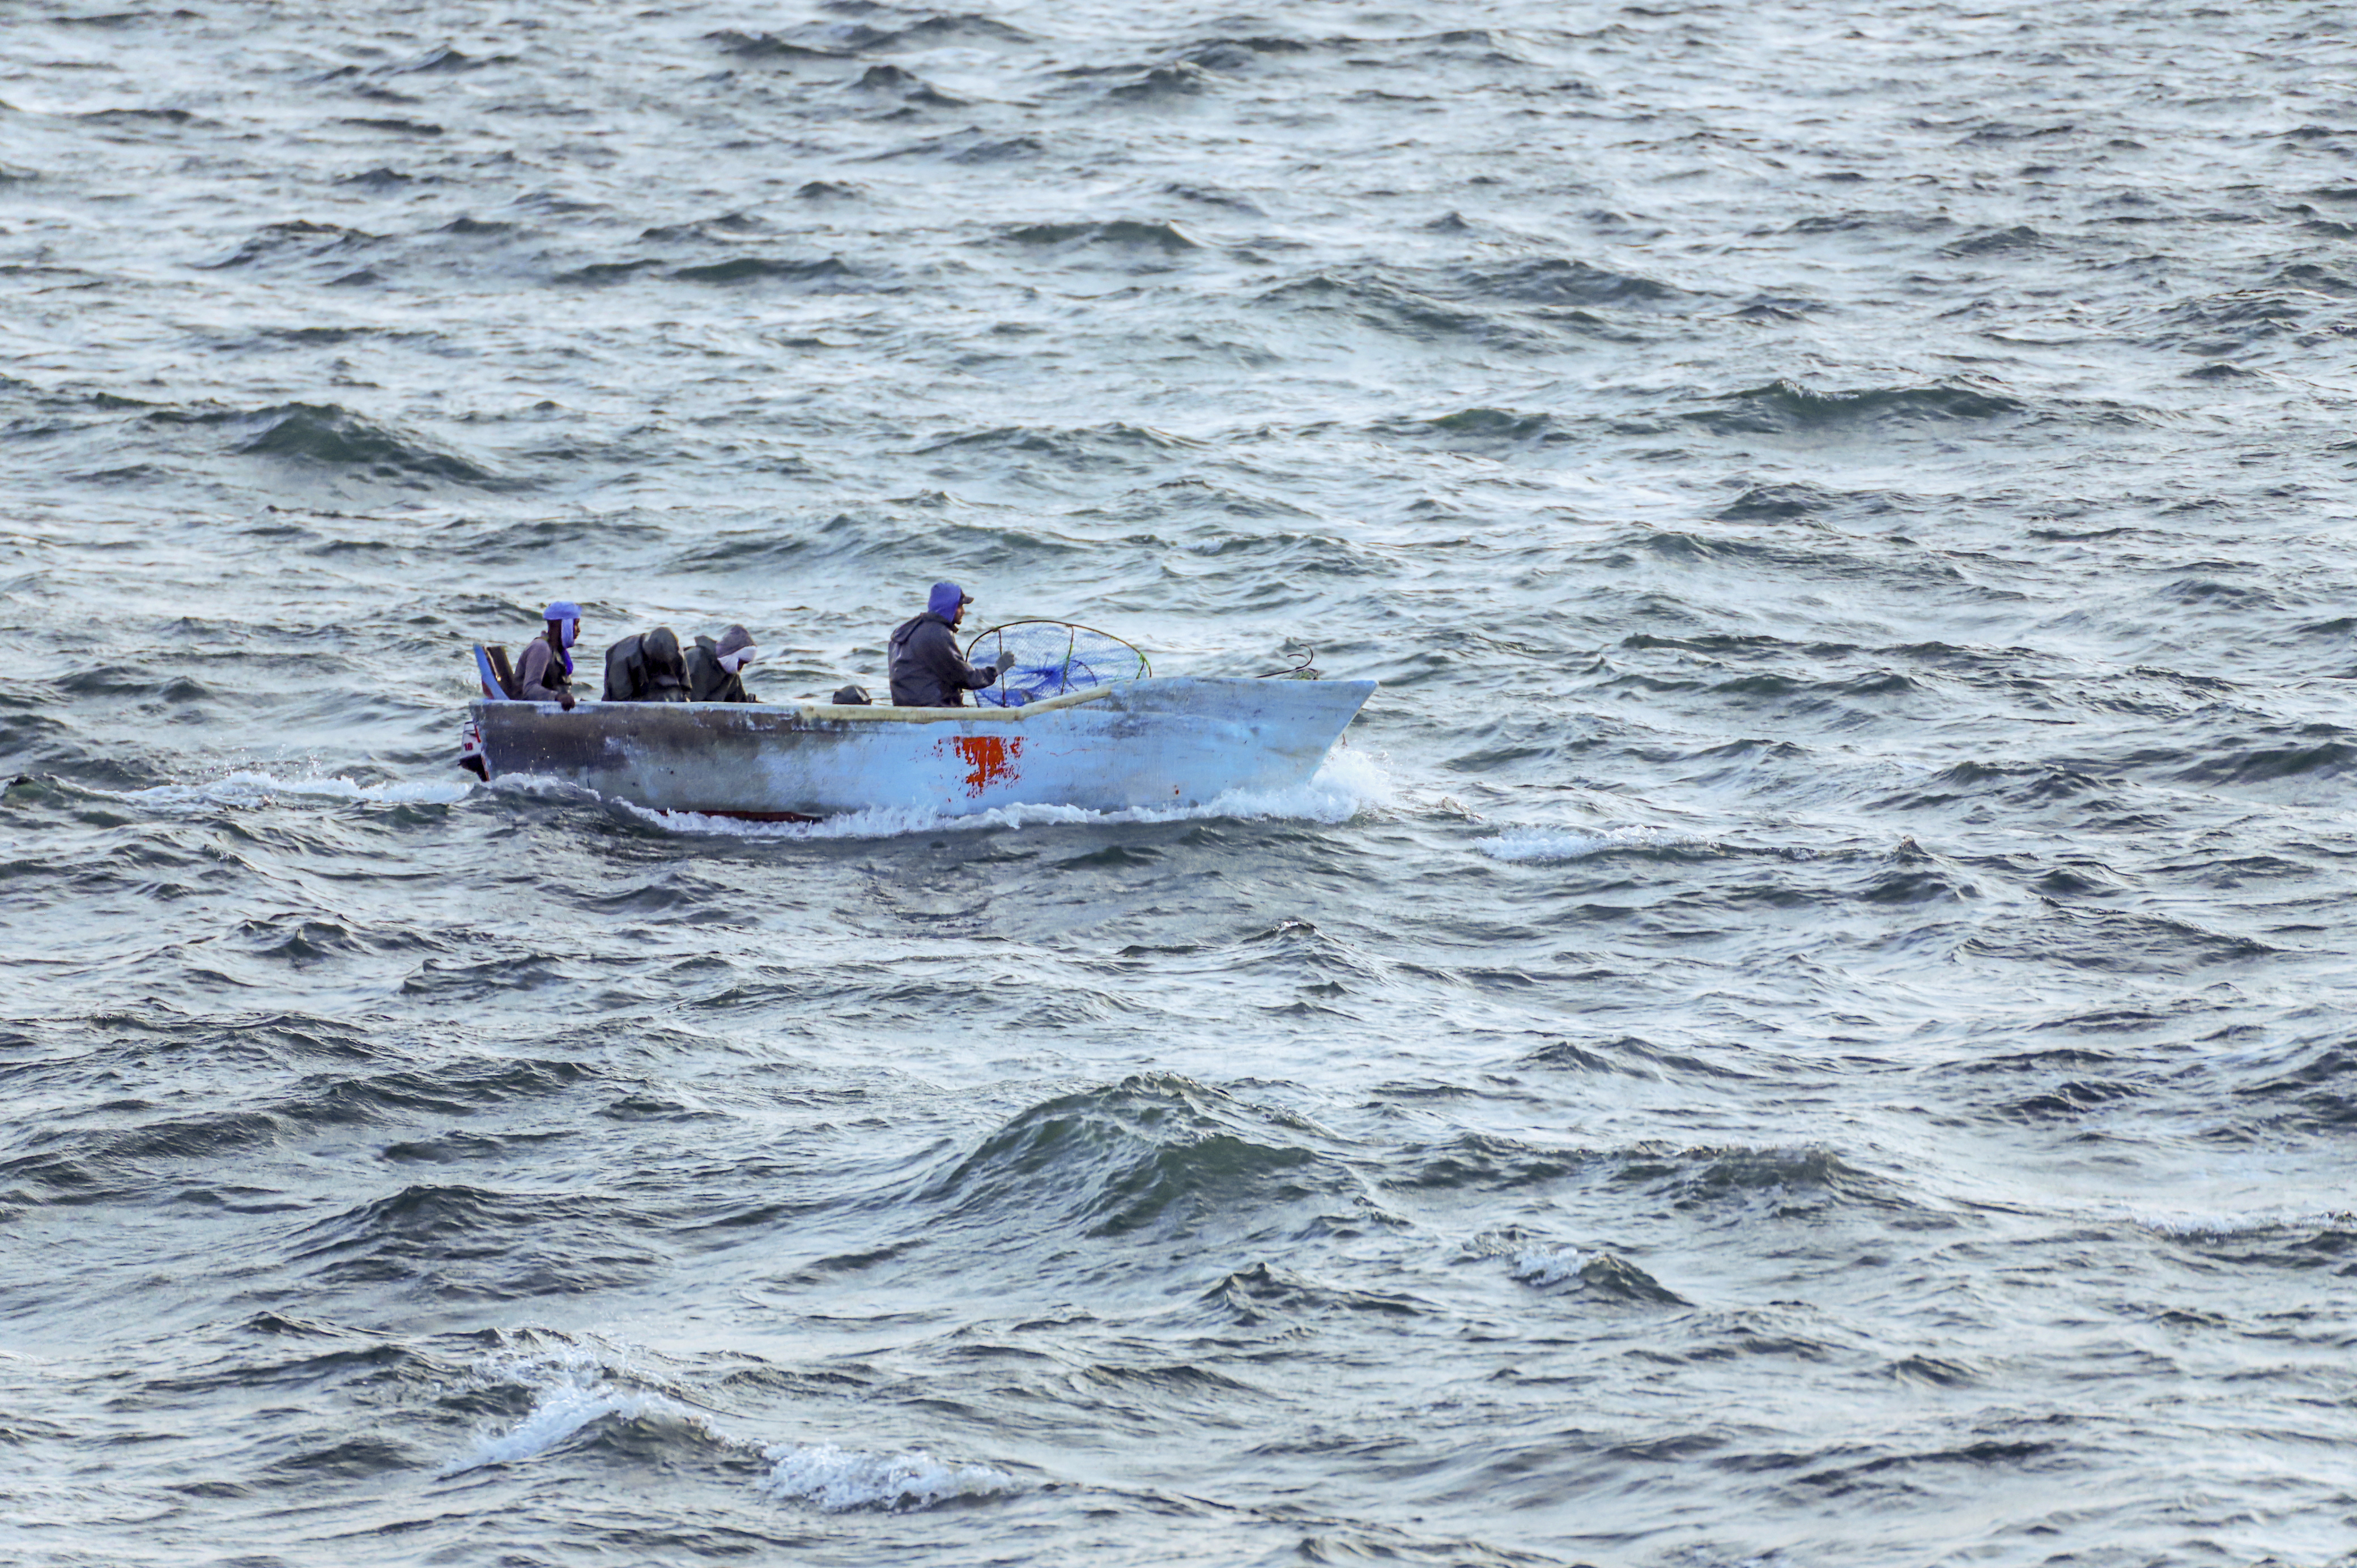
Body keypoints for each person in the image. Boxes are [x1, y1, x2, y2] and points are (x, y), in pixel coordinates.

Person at [887, 581, 1014, 707]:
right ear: (949, 607)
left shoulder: (907, 629)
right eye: (959, 606)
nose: (963, 611)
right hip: (932, 708)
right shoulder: (937, 633)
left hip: (905, 705)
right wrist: (995, 670)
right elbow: (966, 678)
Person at [516, 600, 581, 710]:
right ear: (556, 624)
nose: (578, 630)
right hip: (528, 713)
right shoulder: (541, 648)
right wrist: (558, 697)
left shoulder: (560, 653)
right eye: (575, 624)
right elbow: (530, 689)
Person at [602, 625, 689, 702]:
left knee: (674, 694)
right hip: (627, 690)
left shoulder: (676, 654)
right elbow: (620, 699)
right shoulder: (622, 659)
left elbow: (686, 688)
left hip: (655, 687)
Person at [686, 624, 760, 703]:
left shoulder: (732, 674)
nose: (740, 668)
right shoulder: (695, 658)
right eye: (740, 663)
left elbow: (739, 701)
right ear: (732, 655)